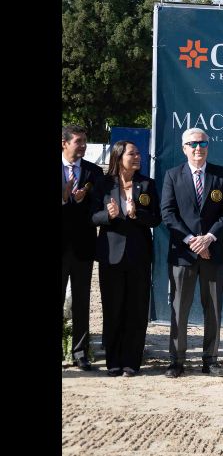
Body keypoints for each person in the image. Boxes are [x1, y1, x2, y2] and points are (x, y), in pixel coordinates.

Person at [161, 128, 223, 378]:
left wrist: (209, 238)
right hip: (183, 254)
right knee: (179, 307)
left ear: (208, 147)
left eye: (202, 143)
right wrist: (193, 241)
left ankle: (211, 359)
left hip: (214, 253)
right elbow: (168, 214)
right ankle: (176, 360)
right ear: (184, 148)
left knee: (213, 308)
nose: (198, 148)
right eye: (192, 144)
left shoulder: (221, 175)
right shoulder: (172, 175)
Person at [91, 141, 161, 377]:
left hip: (139, 257)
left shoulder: (147, 184)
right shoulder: (104, 183)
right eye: (132, 153)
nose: (137, 157)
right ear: (119, 157)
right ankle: (113, 361)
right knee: (113, 309)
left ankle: (132, 362)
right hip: (111, 256)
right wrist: (108, 216)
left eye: (139, 153)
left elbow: (156, 219)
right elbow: (92, 216)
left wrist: (136, 214)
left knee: (136, 310)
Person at [62, 124, 104, 371]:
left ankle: (80, 352)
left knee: (81, 301)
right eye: (78, 141)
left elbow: (98, 208)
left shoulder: (94, 172)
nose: (83, 145)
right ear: (64, 143)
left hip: (83, 247)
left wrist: (82, 202)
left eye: (85, 141)